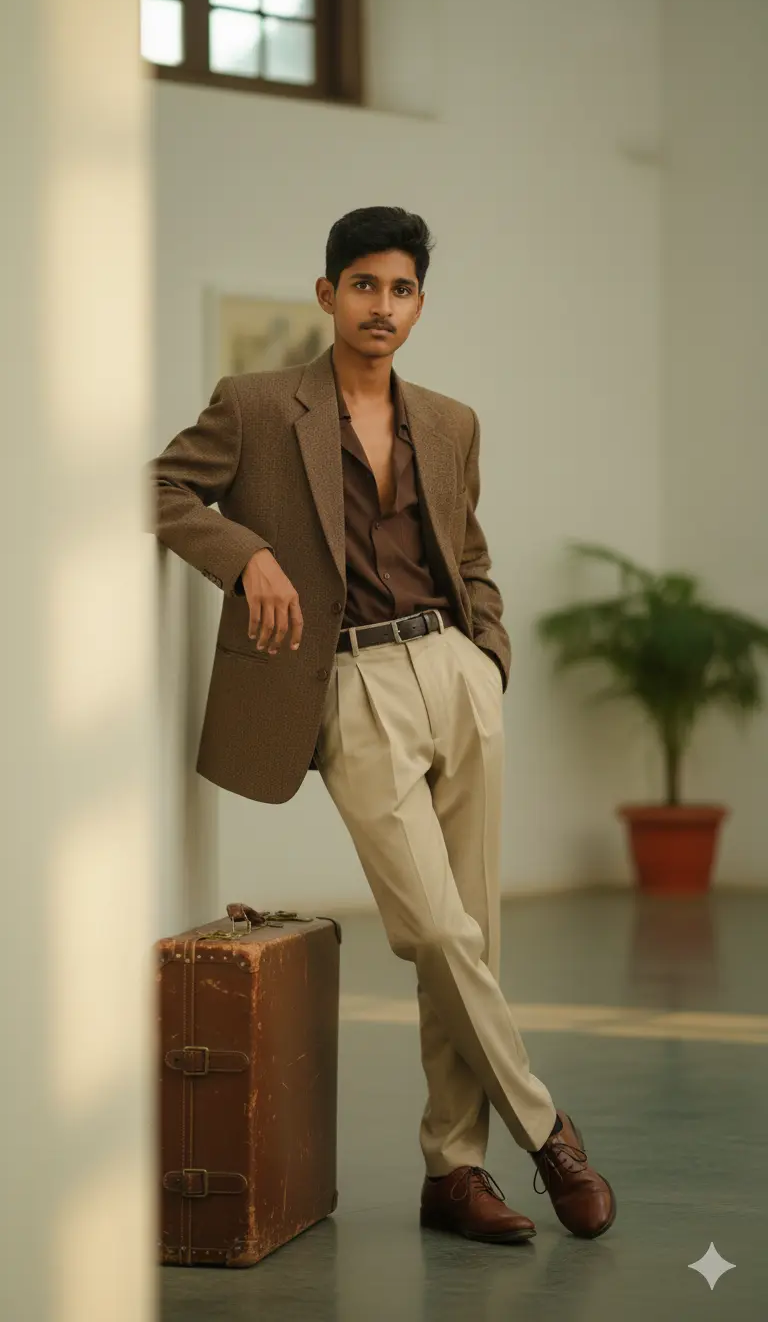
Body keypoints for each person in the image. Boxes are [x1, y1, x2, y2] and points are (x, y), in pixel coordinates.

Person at [148, 205, 616, 1244]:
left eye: (402, 289)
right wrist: (247, 555)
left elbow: (472, 553)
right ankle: (548, 1135)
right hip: (347, 684)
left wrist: (486, 657)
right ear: (328, 294)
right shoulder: (259, 405)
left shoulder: (450, 422)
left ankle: (454, 1172)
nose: (383, 305)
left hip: (453, 672)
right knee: (436, 930)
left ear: (419, 304)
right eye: (364, 284)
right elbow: (165, 487)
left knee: (475, 935)